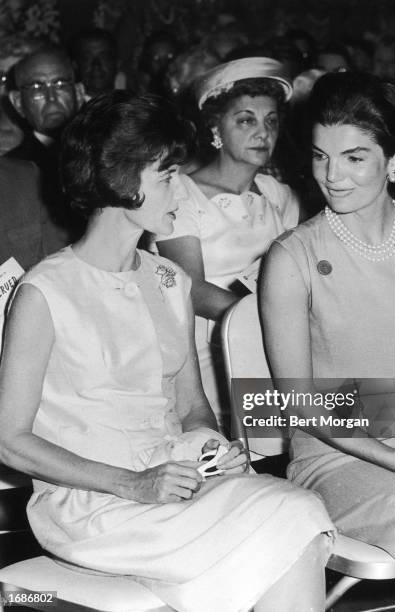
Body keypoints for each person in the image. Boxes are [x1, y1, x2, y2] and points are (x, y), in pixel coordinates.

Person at [0, 91, 333, 612]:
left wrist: (213, 450)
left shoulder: (170, 280)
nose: (183, 189)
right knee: (292, 521)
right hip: (94, 502)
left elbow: (191, 406)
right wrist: (132, 483)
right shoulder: (47, 292)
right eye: (167, 175)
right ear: (121, 179)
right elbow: (9, 440)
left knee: (296, 521)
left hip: (173, 479)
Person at [260, 72, 395, 612]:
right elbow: (299, 404)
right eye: (320, 156)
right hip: (335, 458)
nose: (332, 176)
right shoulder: (292, 258)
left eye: (354, 157)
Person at [156, 57, 300, 428]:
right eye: (246, 119)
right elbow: (190, 288)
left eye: (271, 121)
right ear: (215, 128)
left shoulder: (277, 194)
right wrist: (266, 320)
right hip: (208, 351)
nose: (262, 133)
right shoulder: (181, 193)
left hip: (274, 344)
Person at [7, 46, 85, 241]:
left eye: (60, 84)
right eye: (37, 87)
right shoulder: (11, 171)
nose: (52, 98)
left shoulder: (107, 152)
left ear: (79, 92)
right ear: (18, 102)